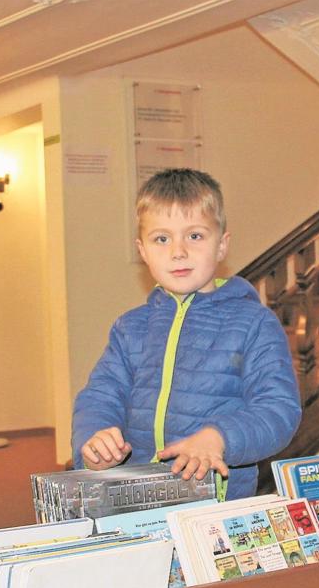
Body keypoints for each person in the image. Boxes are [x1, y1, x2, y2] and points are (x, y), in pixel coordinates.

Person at [71, 168, 301, 501]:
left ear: (222, 246)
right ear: (143, 250)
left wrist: (219, 437)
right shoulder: (130, 328)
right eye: (161, 239)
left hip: (216, 508)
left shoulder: (254, 323)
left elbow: (278, 410)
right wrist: (93, 438)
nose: (178, 251)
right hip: (134, 501)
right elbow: (99, 397)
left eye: (194, 236)